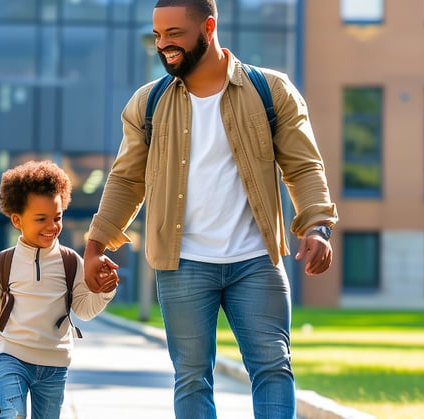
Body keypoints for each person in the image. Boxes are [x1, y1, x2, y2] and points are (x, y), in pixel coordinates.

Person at [82, 0, 339, 418]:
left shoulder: (270, 91)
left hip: (256, 260)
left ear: (209, 26)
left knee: (274, 368)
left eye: (175, 34)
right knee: (191, 376)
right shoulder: (147, 104)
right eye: (158, 35)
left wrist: (318, 227)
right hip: (181, 263)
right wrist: (96, 245)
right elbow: (127, 179)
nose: (163, 44)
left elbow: (303, 165)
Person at [0, 160, 119, 419]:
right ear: (17, 220)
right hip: (11, 357)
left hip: (55, 364)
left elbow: (83, 311)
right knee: (13, 414)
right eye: (41, 219)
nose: (52, 226)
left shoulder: (70, 261)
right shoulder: (4, 262)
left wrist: (104, 291)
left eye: (57, 217)